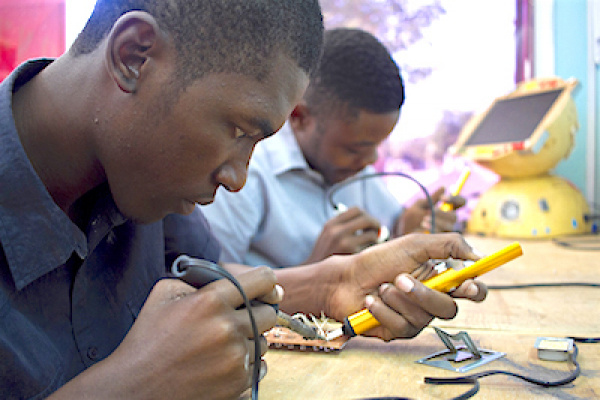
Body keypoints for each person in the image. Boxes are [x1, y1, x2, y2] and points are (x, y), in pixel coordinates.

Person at [0, 2, 486, 399]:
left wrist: (338, 283)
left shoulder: (143, 182)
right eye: (237, 131)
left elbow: (214, 288)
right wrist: (129, 389)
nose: (237, 179)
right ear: (135, 56)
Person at [202, 27, 466, 269]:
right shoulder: (245, 175)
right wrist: (316, 271)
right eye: (355, 148)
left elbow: (394, 229)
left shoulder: (353, 170)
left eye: (376, 145)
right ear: (299, 117)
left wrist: (406, 230)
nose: (370, 159)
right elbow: (211, 288)